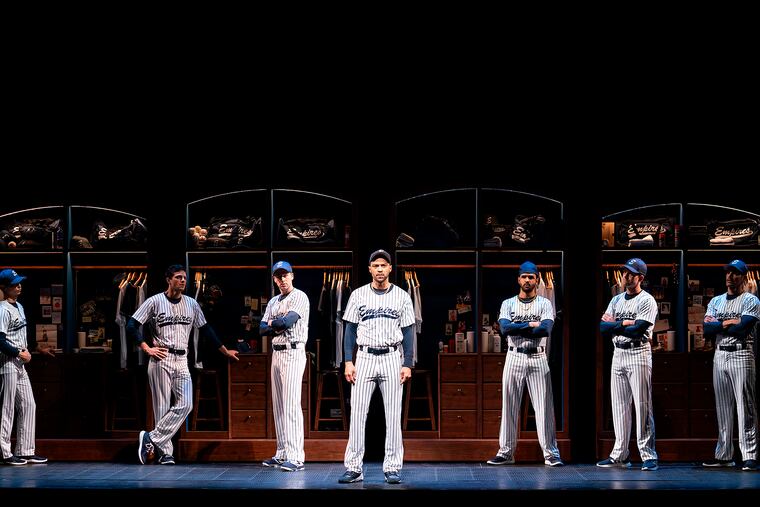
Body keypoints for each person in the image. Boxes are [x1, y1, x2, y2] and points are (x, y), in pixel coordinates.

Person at [128, 264, 239, 465]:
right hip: (161, 357)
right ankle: (165, 454)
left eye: (184, 278)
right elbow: (131, 325)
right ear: (168, 279)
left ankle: (151, 438)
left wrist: (225, 351)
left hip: (181, 359)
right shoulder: (154, 301)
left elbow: (206, 329)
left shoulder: (191, 304)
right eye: (178, 277)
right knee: (162, 407)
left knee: (186, 404)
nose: (182, 281)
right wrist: (146, 348)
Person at [338, 249, 414, 484]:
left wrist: (408, 363)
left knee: (393, 415)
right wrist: (348, 361)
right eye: (376, 265)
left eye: (383, 265)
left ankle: (392, 467)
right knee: (358, 414)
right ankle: (353, 468)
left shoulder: (402, 296)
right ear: (369, 269)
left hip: (392, 356)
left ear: (390, 268)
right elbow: (349, 329)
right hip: (365, 357)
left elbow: (408, 331)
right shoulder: (358, 295)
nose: (380, 269)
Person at [486, 261, 563, 467]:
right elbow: (505, 329)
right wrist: (530, 324)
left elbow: (545, 330)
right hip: (514, 355)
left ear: (537, 280)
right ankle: (506, 452)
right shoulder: (508, 303)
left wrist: (517, 326)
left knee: (544, 407)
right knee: (509, 405)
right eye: (524, 277)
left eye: (531, 277)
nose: (527, 280)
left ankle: (551, 453)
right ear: (518, 279)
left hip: (538, 357)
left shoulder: (544, 303)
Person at [597, 258, 659, 471]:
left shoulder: (647, 300)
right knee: (619, 406)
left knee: (642, 405)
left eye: (631, 273)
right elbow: (602, 327)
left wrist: (616, 325)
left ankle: (648, 455)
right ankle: (620, 454)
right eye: (625, 272)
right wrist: (624, 323)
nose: (626, 276)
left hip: (638, 352)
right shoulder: (616, 300)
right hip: (619, 353)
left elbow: (638, 329)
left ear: (640, 277)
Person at [702, 259, 759, 471]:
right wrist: (729, 322)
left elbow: (743, 329)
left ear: (743, 276)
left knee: (745, 407)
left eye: (735, 273)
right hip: (720, 355)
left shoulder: (750, 300)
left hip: (741, 353)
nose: (730, 276)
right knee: (723, 408)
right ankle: (724, 455)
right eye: (728, 272)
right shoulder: (716, 301)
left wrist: (719, 324)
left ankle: (750, 455)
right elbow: (707, 330)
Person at [259, 260, 310, 472]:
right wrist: (274, 325)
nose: (282, 279)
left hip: (293, 351)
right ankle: (282, 453)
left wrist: (273, 324)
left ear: (292, 275)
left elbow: (285, 323)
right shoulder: (273, 301)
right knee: (278, 405)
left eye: (285, 275)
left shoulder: (299, 296)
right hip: (277, 353)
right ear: (274, 279)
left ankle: (296, 457)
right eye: (278, 276)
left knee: (290, 405)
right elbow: (262, 329)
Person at [0, 268, 53, 465]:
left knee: (29, 404)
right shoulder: (2, 309)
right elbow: (0, 340)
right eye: (14, 284)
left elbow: (22, 335)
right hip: (7, 361)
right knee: (7, 408)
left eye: (19, 283)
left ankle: (25, 450)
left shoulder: (19, 306)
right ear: (5, 287)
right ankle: (4, 452)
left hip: (20, 362)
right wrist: (17, 353)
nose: (19, 286)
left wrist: (38, 348)